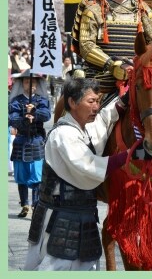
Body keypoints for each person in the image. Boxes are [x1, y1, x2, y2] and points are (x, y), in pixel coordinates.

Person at [24, 78, 130, 271]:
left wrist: (128, 97)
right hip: (61, 218)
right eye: (91, 101)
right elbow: (88, 166)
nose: (97, 106)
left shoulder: (83, 129)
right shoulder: (63, 135)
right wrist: (130, 155)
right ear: (72, 103)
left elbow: (105, 119)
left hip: (83, 217)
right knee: (57, 267)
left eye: (98, 101)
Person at [9, 70, 51, 217]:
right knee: (21, 176)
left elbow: (46, 115)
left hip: (36, 140)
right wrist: (24, 118)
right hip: (21, 141)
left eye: (33, 82)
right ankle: (25, 204)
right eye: (27, 81)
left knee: (37, 176)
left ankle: (35, 205)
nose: (30, 84)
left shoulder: (41, 100)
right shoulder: (16, 101)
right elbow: (12, 118)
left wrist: (34, 113)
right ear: (23, 84)